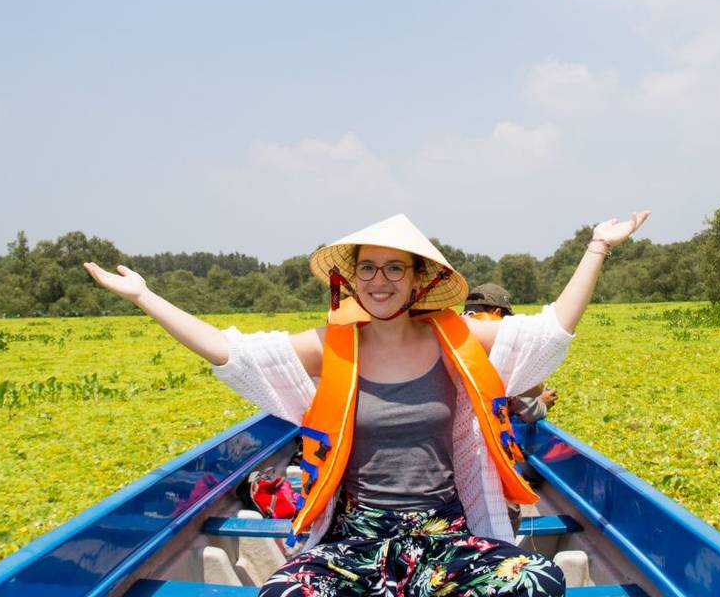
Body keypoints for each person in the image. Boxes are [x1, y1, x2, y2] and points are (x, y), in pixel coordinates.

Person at [83, 210, 649, 597]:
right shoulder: (331, 346)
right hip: (353, 538)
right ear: (353, 281)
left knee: (535, 581)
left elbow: (549, 333)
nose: (380, 280)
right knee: (283, 592)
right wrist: (145, 296)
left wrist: (597, 246)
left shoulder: (458, 338)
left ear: (416, 280)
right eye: (369, 268)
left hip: (445, 533)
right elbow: (233, 354)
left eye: (394, 268)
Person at [464, 283, 557, 424]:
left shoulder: (451, 332)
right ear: (497, 313)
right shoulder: (498, 345)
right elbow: (526, 412)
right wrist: (543, 403)